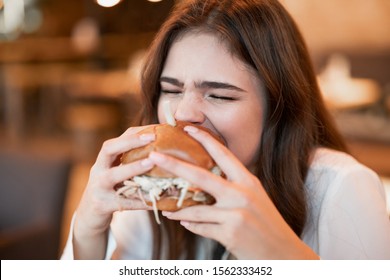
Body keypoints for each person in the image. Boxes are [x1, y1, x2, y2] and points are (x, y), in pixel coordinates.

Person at [61, 0, 390, 260]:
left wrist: (282, 257)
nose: (183, 113)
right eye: (172, 90)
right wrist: (89, 228)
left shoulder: (342, 187)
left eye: (218, 95)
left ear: (279, 106)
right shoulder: (160, 188)